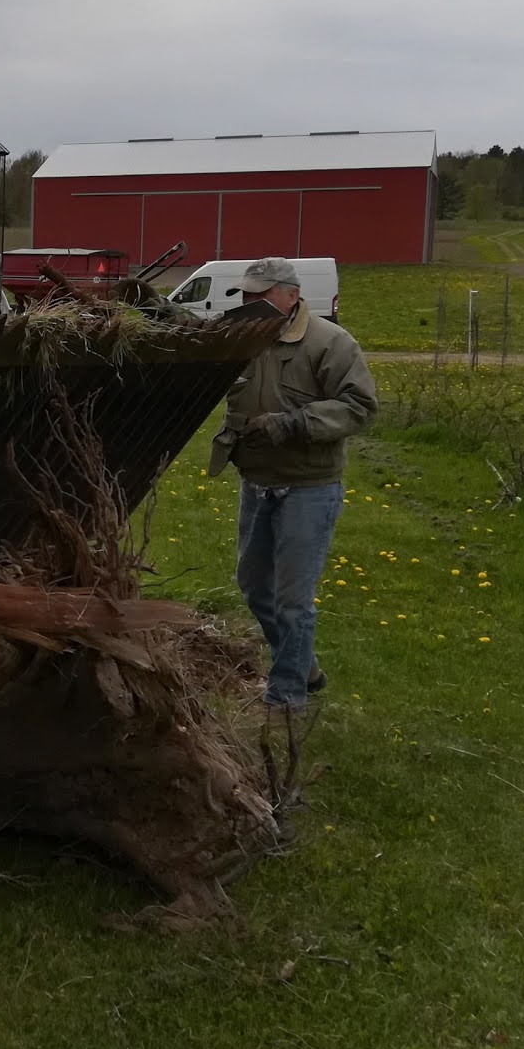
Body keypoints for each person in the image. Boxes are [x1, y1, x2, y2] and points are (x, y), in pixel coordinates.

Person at [206, 257, 377, 712]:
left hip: (308, 486)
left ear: (291, 294)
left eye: (261, 295)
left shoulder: (330, 342)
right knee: (254, 586)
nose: (250, 303)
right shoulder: (244, 339)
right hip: (257, 481)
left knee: (292, 601)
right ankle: (304, 665)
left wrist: (295, 423)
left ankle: (286, 697)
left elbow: (359, 406)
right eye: (246, 295)